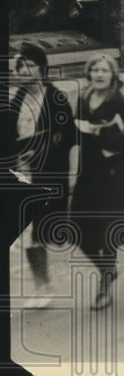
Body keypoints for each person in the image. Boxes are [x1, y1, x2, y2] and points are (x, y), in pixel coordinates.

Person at [9, 43, 75, 309]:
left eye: (29, 64)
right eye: (20, 65)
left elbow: (64, 138)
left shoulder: (56, 98)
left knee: (39, 231)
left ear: (41, 67)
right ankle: (40, 286)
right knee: (26, 233)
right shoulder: (17, 99)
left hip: (45, 176)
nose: (23, 70)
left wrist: (37, 155)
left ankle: (46, 284)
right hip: (20, 175)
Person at [71, 54, 124, 308]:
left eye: (105, 70)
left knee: (108, 231)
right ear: (89, 74)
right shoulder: (83, 99)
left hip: (114, 176)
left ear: (113, 75)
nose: (99, 75)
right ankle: (106, 270)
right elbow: (73, 132)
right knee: (76, 230)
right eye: (95, 70)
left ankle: (104, 288)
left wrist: (101, 137)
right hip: (87, 175)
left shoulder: (119, 102)